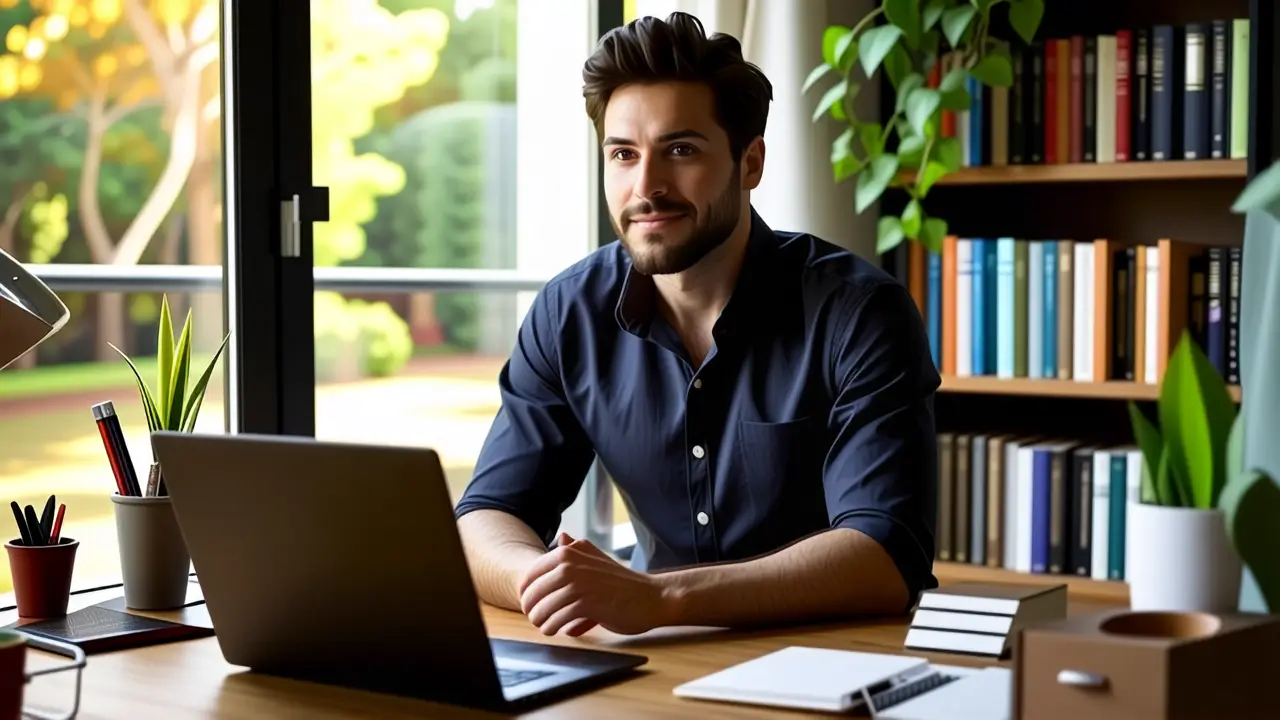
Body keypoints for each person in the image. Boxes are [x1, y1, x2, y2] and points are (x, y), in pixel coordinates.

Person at [454, 11, 939, 638]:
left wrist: (663, 598)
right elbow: (487, 516)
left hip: (830, 655)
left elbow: (887, 554)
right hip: (658, 656)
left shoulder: (859, 314)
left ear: (750, 163)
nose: (646, 186)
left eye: (680, 150)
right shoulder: (569, 312)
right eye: (623, 154)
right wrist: (550, 582)